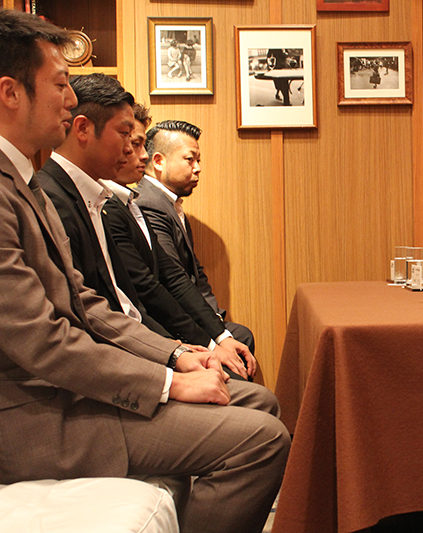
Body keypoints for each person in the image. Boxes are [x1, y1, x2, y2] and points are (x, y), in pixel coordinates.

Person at [0, 9, 288, 533]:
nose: (70, 100)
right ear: (10, 93)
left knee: (255, 401)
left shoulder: (25, 182)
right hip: (32, 417)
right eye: (60, 84)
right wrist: (167, 382)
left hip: (63, 393)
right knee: (262, 441)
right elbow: (41, 341)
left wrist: (177, 356)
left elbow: (87, 304)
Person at [102, 103, 256, 381]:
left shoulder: (135, 202)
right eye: (189, 159)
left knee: (239, 340)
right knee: (245, 376)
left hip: (163, 324)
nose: (142, 155)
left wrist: (218, 331)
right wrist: (206, 341)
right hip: (149, 331)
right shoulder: (142, 204)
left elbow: (184, 275)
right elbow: (149, 287)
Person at [37, 73, 169, 337]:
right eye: (124, 134)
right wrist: (171, 354)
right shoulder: (50, 199)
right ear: (83, 129)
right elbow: (83, 317)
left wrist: (173, 346)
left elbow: (126, 303)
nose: (131, 150)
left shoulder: (96, 197)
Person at [135, 119, 256, 354]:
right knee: (241, 338)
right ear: (158, 161)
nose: (198, 168)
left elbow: (196, 273)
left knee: (241, 336)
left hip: (192, 315)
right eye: (190, 159)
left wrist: (216, 318)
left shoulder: (170, 203)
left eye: (198, 160)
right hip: (171, 326)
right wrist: (215, 331)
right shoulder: (149, 204)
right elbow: (172, 280)